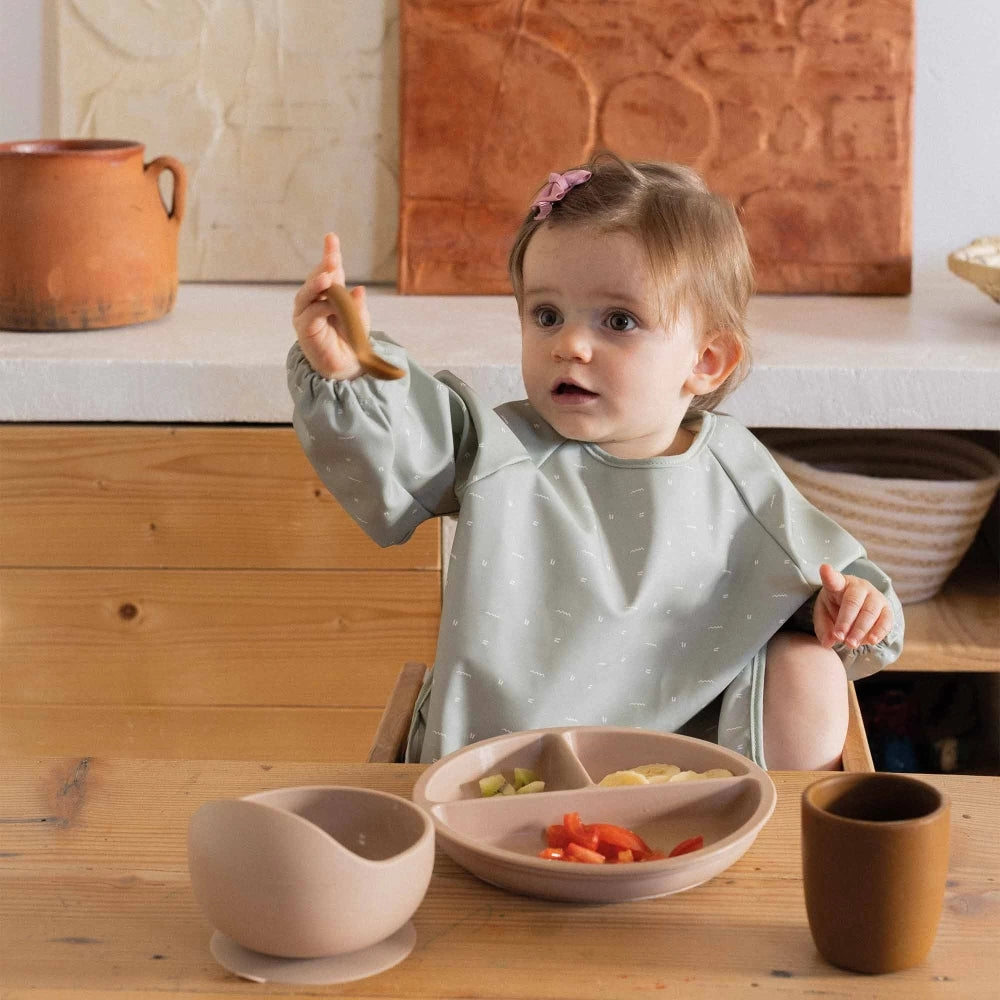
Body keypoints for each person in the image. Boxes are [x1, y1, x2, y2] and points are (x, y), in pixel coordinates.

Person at [288, 153, 903, 769]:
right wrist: (350, 370)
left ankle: (772, 847)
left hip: (683, 774)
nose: (570, 345)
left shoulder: (735, 475)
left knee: (808, 666)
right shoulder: (497, 447)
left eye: (619, 321)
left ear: (706, 360)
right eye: (546, 315)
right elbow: (408, 434)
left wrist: (845, 606)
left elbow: (829, 586)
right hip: (501, 761)